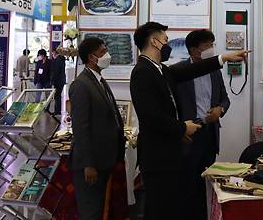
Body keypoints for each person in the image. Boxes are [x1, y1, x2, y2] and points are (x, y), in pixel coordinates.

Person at [129, 22, 248, 220]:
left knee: (171, 205)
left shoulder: (160, 69)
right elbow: (152, 117)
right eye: (165, 40)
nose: (167, 45)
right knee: (159, 208)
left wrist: (223, 58)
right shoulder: (143, 71)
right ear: (154, 41)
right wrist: (183, 127)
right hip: (157, 156)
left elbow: (190, 71)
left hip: (168, 153)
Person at [174, 30, 231, 220]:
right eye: (208, 45)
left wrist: (220, 110)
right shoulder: (179, 71)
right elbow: (171, 105)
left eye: (212, 44)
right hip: (189, 134)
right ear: (194, 50)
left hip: (210, 133)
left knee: (208, 183)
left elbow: (225, 99)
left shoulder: (214, 70)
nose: (212, 48)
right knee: (188, 185)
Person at [69, 37, 125, 220]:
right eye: (102, 52)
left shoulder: (99, 80)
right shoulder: (81, 85)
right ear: (92, 58)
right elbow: (81, 128)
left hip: (104, 159)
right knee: (90, 212)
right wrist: (88, 164)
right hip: (91, 164)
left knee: (100, 208)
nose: (106, 54)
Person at [51, 49, 67, 116]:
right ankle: (58, 110)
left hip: (58, 80)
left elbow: (56, 72)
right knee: (58, 95)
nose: (52, 55)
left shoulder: (57, 60)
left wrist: (52, 81)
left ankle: (57, 111)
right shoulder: (62, 59)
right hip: (62, 80)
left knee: (57, 95)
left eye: (52, 53)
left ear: (54, 52)